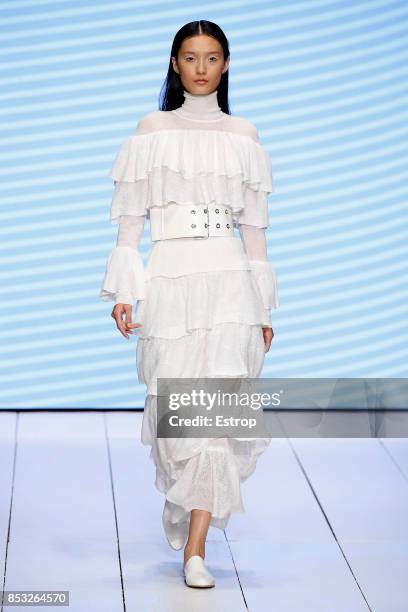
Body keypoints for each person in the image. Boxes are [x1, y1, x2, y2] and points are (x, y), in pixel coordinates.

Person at [99, 20, 279, 589]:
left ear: (227, 65)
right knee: (177, 413)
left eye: (212, 56)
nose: (201, 67)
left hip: (228, 283)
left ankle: (196, 548)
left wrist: (263, 309)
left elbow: (254, 232)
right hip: (172, 280)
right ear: (175, 65)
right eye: (190, 56)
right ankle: (183, 501)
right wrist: (126, 289)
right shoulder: (151, 130)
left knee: (217, 419)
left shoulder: (245, 136)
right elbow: (131, 224)